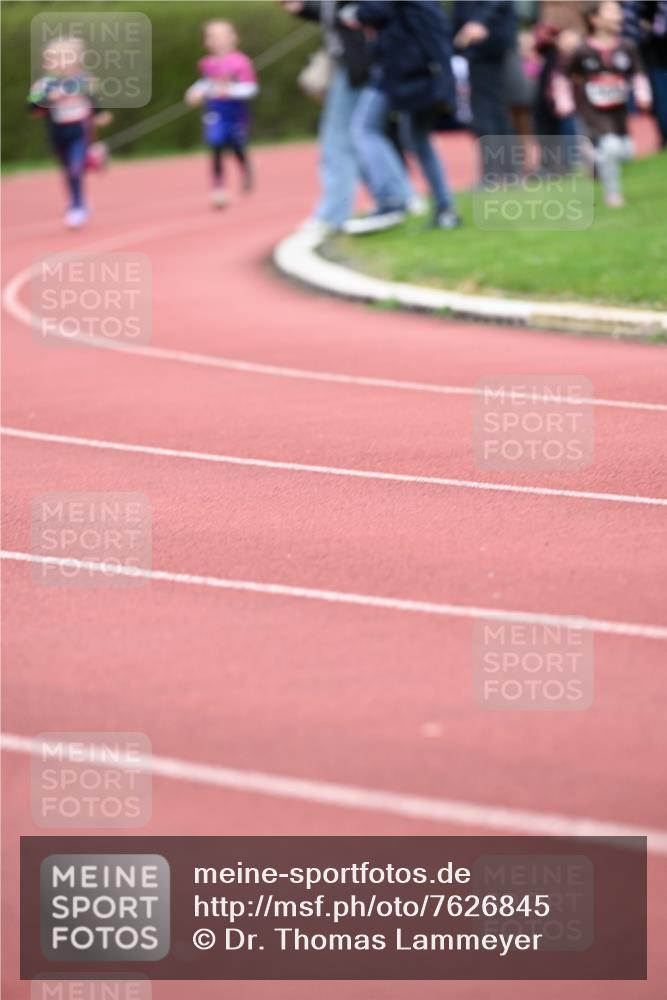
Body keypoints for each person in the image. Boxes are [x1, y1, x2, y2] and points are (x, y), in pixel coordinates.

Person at [340, 0, 460, 233]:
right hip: (424, 73)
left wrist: (353, 12)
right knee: (418, 140)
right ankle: (445, 209)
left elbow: (375, 10)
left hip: (403, 72)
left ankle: (392, 199)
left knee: (364, 129)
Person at [281, 1, 372, 237]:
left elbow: (364, 15)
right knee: (361, 137)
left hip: (356, 71)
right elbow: (332, 14)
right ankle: (398, 196)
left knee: (337, 144)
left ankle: (333, 214)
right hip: (350, 70)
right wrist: (303, 9)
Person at [557, 0, 651, 206]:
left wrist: (643, 94)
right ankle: (613, 194)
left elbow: (639, 74)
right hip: (592, 109)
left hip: (619, 107)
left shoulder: (627, 47)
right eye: (611, 11)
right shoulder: (582, 51)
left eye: (618, 11)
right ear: (594, 19)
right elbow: (562, 77)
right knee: (611, 146)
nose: (618, 15)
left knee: (626, 152)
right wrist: (563, 101)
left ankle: (593, 155)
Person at [28, 37, 112, 229]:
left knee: (75, 167)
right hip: (57, 134)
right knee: (68, 169)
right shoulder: (44, 85)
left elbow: (93, 100)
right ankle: (91, 167)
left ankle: (76, 207)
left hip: (79, 132)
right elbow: (32, 108)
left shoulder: (83, 81)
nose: (60, 63)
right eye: (55, 59)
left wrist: (100, 114)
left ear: (76, 60)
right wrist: (49, 99)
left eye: (65, 58)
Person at [185, 20, 258, 208]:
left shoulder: (241, 62)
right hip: (215, 113)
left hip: (236, 114)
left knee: (237, 148)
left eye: (222, 35)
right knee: (215, 145)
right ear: (206, 42)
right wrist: (194, 92)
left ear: (234, 38)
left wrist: (230, 91)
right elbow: (205, 84)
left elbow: (250, 88)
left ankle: (245, 169)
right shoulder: (206, 64)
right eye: (212, 37)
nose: (218, 41)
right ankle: (218, 189)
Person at [452, 0, 518, 186]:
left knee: (485, 111)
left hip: (485, 47)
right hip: (485, 46)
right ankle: (507, 172)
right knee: (495, 110)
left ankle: (493, 174)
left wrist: (478, 22)